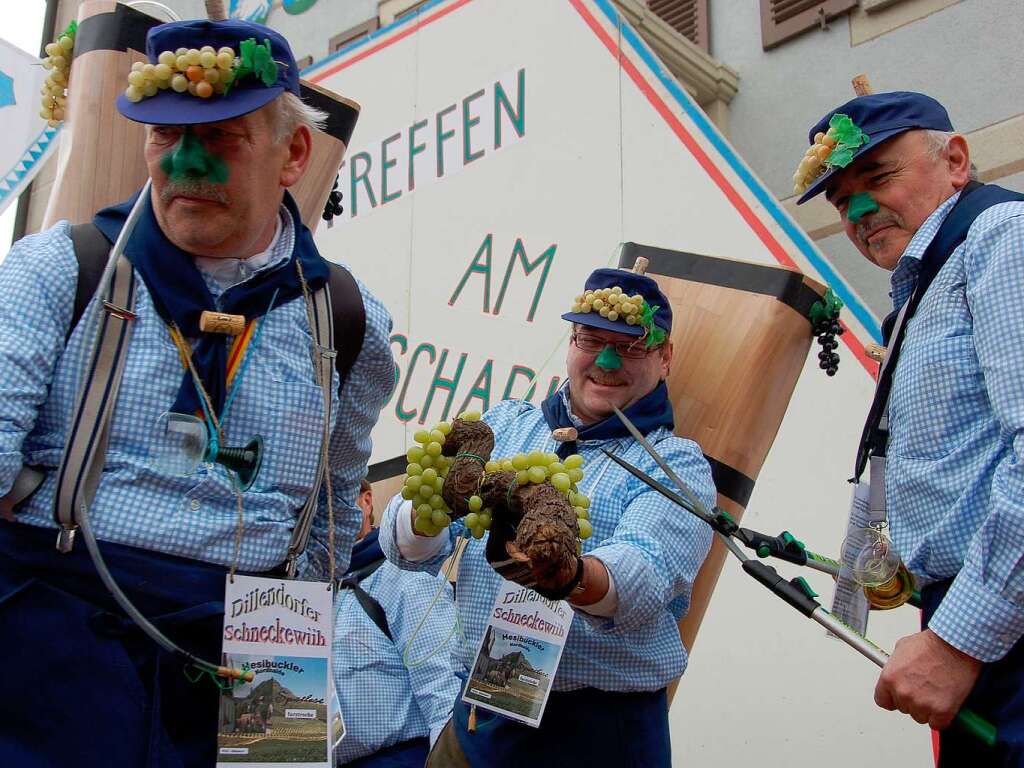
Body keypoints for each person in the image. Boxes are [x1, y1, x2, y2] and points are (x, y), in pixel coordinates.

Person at [0, 19, 394, 767]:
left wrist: (287, 633)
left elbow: (337, 510)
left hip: (255, 640)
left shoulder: (350, 321)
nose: (183, 163)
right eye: (162, 136)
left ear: (294, 154)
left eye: (220, 138)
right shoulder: (59, 269)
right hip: (60, 628)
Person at [379, 267, 716, 767]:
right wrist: (431, 513)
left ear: (664, 358)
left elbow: (644, 573)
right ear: (571, 341)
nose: (605, 360)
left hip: (594, 733)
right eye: (591, 339)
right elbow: (405, 547)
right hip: (485, 710)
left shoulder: (674, 463)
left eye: (629, 346)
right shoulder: (507, 423)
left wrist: (567, 572)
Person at [795, 91, 1024, 764]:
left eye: (879, 178)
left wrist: (958, 640)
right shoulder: (926, 285)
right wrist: (883, 556)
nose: (859, 212)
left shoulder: (1001, 237)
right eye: (841, 200)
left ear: (955, 161)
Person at [333, 479, 462, 767]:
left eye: (337, 496)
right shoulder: (312, 587)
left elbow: (444, 693)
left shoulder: (405, 575)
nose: (325, 511)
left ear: (367, 501)